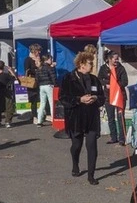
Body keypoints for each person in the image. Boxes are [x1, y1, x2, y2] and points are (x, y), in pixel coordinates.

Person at [60, 51, 105, 185]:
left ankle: (91, 175)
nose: (92, 66)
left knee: (92, 146)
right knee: (76, 145)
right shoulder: (69, 78)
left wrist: (96, 98)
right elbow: (63, 98)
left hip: (91, 117)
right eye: (90, 63)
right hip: (76, 117)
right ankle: (75, 163)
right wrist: (80, 99)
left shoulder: (94, 79)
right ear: (81, 64)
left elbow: (102, 98)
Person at [98, 50, 128, 145]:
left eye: (117, 59)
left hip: (119, 96)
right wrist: (106, 84)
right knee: (110, 118)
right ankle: (113, 137)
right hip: (108, 96)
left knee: (120, 117)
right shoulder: (103, 68)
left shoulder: (121, 68)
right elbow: (99, 79)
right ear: (109, 59)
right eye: (115, 59)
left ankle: (122, 138)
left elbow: (125, 82)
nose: (116, 61)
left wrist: (115, 85)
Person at [34, 53, 56, 127]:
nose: (51, 60)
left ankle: (39, 121)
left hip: (41, 86)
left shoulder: (39, 69)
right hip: (49, 86)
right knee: (51, 103)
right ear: (47, 60)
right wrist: (55, 85)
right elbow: (53, 77)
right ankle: (54, 120)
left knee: (42, 103)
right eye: (50, 59)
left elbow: (37, 79)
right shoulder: (49, 68)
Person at [0, 60, 16, 128]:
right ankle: (8, 122)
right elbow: (15, 78)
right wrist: (11, 71)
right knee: (8, 107)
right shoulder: (6, 75)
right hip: (6, 91)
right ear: (4, 67)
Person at [23, 43, 41, 122]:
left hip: (40, 80)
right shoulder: (28, 59)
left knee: (40, 98)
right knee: (33, 99)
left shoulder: (40, 59)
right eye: (38, 50)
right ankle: (34, 116)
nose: (39, 52)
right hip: (32, 81)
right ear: (34, 51)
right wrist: (36, 69)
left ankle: (40, 114)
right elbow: (27, 70)